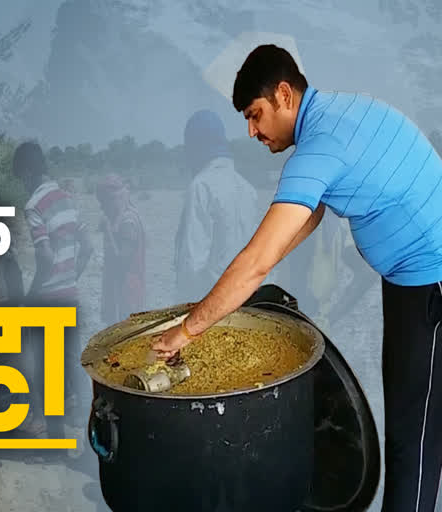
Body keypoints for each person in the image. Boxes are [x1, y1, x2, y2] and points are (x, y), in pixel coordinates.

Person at [153, 44, 442, 512]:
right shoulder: (336, 115)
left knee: (415, 437)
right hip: (413, 278)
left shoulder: (317, 150)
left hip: (432, 279)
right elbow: (302, 221)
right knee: (413, 430)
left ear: (284, 94)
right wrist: (252, 273)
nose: (251, 131)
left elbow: (258, 260)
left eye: (255, 114)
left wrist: (188, 329)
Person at [12, 141, 93, 432]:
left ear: (29, 170)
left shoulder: (34, 205)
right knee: (71, 361)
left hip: (47, 297)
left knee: (47, 367)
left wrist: (34, 291)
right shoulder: (68, 199)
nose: (22, 182)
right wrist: (70, 276)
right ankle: (90, 427)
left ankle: (53, 434)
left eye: (21, 175)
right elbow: (88, 247)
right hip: (69, 294)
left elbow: (45, 256)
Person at [173, 110, 260, 303]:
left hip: (210, 305)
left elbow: (192, 262)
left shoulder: (201, 186)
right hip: (245, 300)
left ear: (195, 147)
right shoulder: (248, 189)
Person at [96, 173, 145, 326]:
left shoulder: (127, 222)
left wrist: (108, 231)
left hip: (126, 289)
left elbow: (122, 261)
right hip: (123, 287)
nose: (101, 207)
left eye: (103, 202)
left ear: (112, 200)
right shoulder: (124, 217)